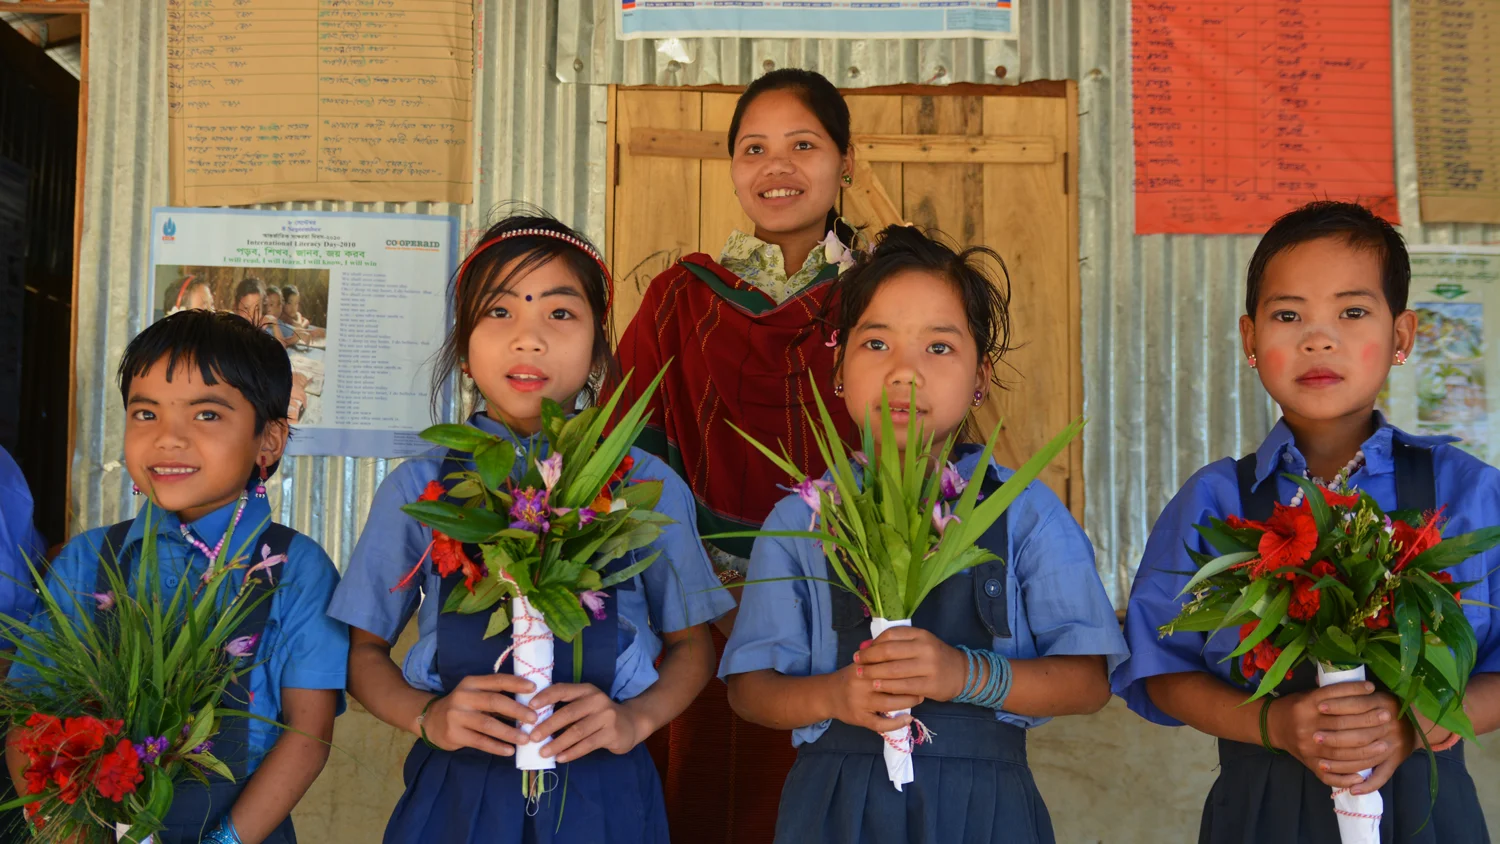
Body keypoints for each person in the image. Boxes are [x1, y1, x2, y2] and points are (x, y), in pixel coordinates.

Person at [329, 211, 733, 844]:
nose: (529, 339)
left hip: (608, 791)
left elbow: (692, 646)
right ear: (463, 348)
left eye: (560, 313)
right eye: (499, 313)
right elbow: (363, 653)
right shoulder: (419, 488)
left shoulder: (645, 484)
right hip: (456, 792)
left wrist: (634, 722)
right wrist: (429, 716)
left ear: (600, 347)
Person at [721, 225, 1127, 844]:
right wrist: (834, 695)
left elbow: (1087, 681)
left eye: (939, 348)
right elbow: (751, 690)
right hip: (835, 808)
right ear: (838, 367)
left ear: (981, 375)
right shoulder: (803, 517)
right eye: (877, 343)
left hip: (986, 811)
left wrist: (963, 674)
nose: (905, 373)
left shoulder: (1023, 511)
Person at [1112, 201, 1500, 843]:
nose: (1318, 338)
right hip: (1263, 810)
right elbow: (1162, 669)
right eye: (1288, 315)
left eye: (1352, 312)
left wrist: (1417, 724)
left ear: (1402, 336)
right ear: (1249, 340)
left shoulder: (1468, 492)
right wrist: (1277, 724)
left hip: (1427, 810)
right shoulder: (1215, 499)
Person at [609, 67, 860, 843]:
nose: (776, 167)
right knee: (700, 799)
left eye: (802, 145)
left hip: (845, 610)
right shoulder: (680, 298)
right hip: (695, 618)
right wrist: (691, 594)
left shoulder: (880, 297)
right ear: (732, 168)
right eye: (754, 148)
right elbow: (626, 453)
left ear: (846, 162)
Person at [5, 310, 348, 843]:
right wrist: (61, 831)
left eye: (207, 415)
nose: (168, 438)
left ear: (269, 441)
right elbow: (32, 714)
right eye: (145, 414)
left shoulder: (296, 569)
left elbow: (308, 734)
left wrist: (223, 842)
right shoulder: (88, 558)